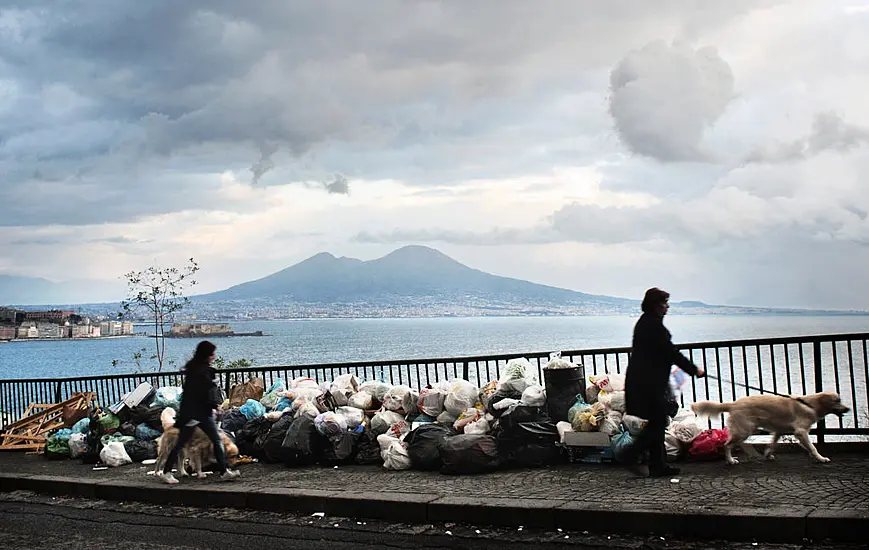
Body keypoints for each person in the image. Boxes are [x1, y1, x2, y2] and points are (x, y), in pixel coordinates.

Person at [624, 288, 705, 477]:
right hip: (649, 384)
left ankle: (658, 465)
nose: (667, 306)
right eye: (664, 303)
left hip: (644, 382)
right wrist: (694, 370)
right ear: (655, 305)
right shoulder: (654, 327)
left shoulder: (646, 324)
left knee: (656, 423)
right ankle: (632, 454)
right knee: (658, 422)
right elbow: (671, 353)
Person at [156, 341, 240, 484]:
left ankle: (224, 471)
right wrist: (213, 403)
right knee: (181, 443)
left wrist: (213, 404)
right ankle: (167, 472)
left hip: (202, 413)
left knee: (216, 439)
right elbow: (198, 393)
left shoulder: (198, 368)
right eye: (211, 353)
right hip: (194, 414)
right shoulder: (198, 371)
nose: (213, 356)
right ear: (206, 354)